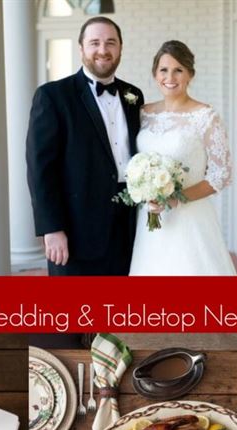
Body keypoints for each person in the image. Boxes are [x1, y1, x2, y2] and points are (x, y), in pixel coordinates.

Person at [26, 17, 144, 276]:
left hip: (128, 226)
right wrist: (52, 228)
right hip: (76, 229)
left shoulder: (133, 95)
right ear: (81, 48)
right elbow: (40, 169)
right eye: (94, 43)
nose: (103, 50)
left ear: (121, 48)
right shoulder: (53, 96)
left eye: (110, 42)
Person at [129, 41, 236, 275]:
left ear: (190, 74)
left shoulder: (206, 116)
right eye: (164, 70)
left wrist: (176, 199)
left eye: (178, 70)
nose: (170, 77)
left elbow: (221, 175)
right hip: (150, 222)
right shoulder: (144, 114)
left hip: (190, 220)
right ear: (155, 74)